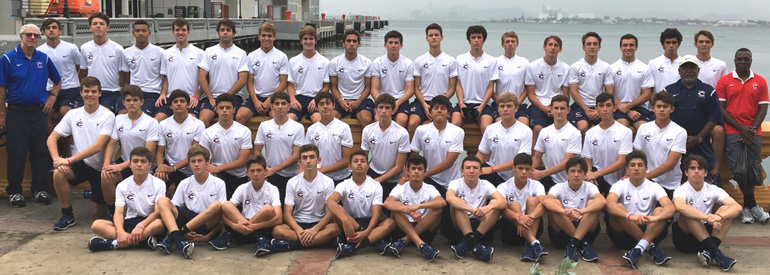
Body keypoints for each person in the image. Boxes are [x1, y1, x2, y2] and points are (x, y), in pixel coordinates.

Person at [1, 23, 61, 207]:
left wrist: (52, 97)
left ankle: (39, 189)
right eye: (29, 35)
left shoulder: (43, 58)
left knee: (40, 152)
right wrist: (2, 114)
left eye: (36, 36)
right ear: (21, 36)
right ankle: (15, 192)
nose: (32, 38)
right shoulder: (8, 59)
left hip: (38, 113)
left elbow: (57, 81)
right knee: (17, 153)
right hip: (16, 113)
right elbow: (1, 88)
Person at [47, 77, 115, 229]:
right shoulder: (73, 114)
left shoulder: (108, 115)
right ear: (81, 93)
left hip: (100, 167)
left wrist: (69, 160)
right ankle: (67, 215)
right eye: (86, 91)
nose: (89, 94)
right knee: (58, 172)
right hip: (82, 164)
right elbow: (52, 138)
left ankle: (109, 209)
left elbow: (98, 147)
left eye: (93, 91)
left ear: (99, 93)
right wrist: (57, 159)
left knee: (99, 214)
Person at [716, 48, 770, 224]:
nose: (743, 62)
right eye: (739, 59)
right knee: (739, 170)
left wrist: (752, 129)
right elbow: (721, 110)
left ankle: (748, 207)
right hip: (732, 132)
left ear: (751, 61)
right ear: (734, 60)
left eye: (746, 59)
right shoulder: (724, 81)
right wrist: (742, 128)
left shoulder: (760, 81)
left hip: (753, 132)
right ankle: (751, 205)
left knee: (753, 171)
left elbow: (763, 108)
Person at [605, 151, 676, 269]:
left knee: (660, 210)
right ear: (627, 170)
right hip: (624, 234)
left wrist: (654, 218)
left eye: (640, 165)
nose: (636, 168)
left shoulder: (654, 186)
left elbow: (670, 207)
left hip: (649, 229)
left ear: (646, 169)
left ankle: (638, 249)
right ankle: (650, 247)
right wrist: (630, 216)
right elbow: (609, 204)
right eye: (632, 165)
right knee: (618, 208)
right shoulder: (620, 185)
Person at [88, 147, 167, 251]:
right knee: (97, 225)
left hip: (148, 222)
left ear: (149, 165)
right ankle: (141, 241)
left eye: (143, 161)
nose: (139, 164)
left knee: (159, 224)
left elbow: (158, 212)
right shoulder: (122, 185)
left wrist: (141, 226)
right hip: (130, 220)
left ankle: (114, 244)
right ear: (130, 165)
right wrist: (120, 231)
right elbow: (119, 213)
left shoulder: (159, 184)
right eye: (135, 161)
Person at [154, 145, 226, 258]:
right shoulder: (184, 183)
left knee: (217, 205)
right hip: (188, 220)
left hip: (207, 224)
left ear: (207, 162)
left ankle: (173, 236)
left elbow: (223, 216)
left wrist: (208, 236)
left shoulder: (219, 183)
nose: (196, 164)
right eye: (193, 161)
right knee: (162, 201)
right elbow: (173, 208)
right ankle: (178, 238)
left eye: (200, 161)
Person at [672, 155, 741, 272]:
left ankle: (710, 252)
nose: (696, 171)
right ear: (686, 172)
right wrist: (707, 218)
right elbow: (680, 206)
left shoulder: (712, 189)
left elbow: (737, 207)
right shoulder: (681, 190)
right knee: (688, 214)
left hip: (706, 235)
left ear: (705, 173)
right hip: (685, 239)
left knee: (727, 211)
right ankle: (717, 254)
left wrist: (718, 217)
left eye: (700, 168)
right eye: (692, 168)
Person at [410, 95, 464, 240]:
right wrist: (406, 176)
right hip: (429, 181)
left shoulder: (457, 132)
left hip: (450, 183)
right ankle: (414, 239)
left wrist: (425, 174)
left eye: (443, 108)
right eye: (436, 108)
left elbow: (449, 162)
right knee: (429, 228)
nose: (439, 111)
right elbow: (413, 156)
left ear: (448, 113)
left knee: (451, 231)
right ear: (430, 112)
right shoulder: (421, 130)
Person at [270, 144, 341, 252]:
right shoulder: (292, 182)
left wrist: (314, 230)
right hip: (298, 222)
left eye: (312, 157)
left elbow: (330, 212)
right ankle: (322, 243)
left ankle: (291, 245)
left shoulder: (328, 182)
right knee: (277, 230)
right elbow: (287, 213)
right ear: (299, 162)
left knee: (335, 229)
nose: (308, 161)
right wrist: (298, 230)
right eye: (304, 158)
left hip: (319, 223)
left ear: (319, 160)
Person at [101, 85, 160, 215]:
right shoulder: (118, 119)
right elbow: (111, 144)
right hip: (125, 162)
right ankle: (114, 213)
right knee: (106, 177)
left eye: (135, 100)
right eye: (128, 100)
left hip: (144, 164)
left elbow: (148, 153)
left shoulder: (151, 122)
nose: (131, 103)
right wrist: (106, 164)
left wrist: (121, 166)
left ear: (142, 102)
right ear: (123, 103)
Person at [327, 151, 396, 259]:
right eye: (356, 161)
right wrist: (344, 220)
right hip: (350, 223)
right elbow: (330, 201)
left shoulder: (376, 185)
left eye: (363, 161)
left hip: (370, 223)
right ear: (350, 166)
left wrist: (366, 232)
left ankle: (352, 247)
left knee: (390, 223)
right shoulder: (343, 184)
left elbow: (376, 214)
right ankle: (376, 242)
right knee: (338, 208)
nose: (359, 164)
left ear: (368, 166)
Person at [665, 55, 723, 185]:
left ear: (698, 70)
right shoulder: (669, 91)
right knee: (677, 176)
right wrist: (680, 138)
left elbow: (714, 118)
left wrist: (699, 137)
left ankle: (715, 177)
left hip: (701, 141)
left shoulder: (709, 91)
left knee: (704, 175)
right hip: (675, 142)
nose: (689, 71)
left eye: (692, 68)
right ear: (679, 71)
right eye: (685, 68)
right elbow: (662, 116)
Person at [208, 155, 282, 256]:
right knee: (226, 204)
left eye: (259, 170)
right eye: (252, 171)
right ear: (247, 173)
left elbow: (279, 218)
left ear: (265, 172)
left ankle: (234, 236)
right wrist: (235, 226)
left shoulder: (272, 189)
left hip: (262, 225)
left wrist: (252, 226)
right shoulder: (242, 188)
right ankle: (259, 239)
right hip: (241, 222)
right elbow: (225, 212)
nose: (255, 174)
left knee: (268, 209)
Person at [542, 157, 606, 264]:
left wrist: (582, 211)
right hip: (561, 235)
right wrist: (565, 212)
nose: (576, 175)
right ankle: (581, 244)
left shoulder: (590, 186)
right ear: (566, 174)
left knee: (593, 204)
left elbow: (602, 201)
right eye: (572, 171)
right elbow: (546, 201)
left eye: (579, 171)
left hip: (585, 231)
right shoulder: (558, 187)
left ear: (585, 174)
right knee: (555, 204)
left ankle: (574, 244)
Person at [383, 155, 444, 262]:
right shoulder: (400, 188)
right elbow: (387, 203)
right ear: (407, 171)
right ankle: (421, 245)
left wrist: (418, 206)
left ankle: (405, 240)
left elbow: (442, 202)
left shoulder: (430, 188)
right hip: (402, 228)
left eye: (420, 169)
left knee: (437, 208)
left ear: (425, 172)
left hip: (423, 230)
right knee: (396, 208)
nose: (416, 172)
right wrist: (410, 212)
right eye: (413, 169)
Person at [446, 156, 505, 262]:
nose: (471, 171)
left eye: (475, 168)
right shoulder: (456, 183)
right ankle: (475, 245)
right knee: (459, 203)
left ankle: (468, 243)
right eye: (468, 168)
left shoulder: (485, 184)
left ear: (481, 171)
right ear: (462, 171)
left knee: (495, 204)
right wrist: (472, 210)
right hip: (460, 223)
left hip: (480, 223)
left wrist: (488, 208)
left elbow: (502, 201)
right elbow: (449, 198)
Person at [408, 23, 458, 138]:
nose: (434, 37)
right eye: (431, 35)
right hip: (423, 102)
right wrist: (425, 105)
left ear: (442, 37)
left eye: (436, 35)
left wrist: (440, 103)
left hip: (443, 101)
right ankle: (411, 155)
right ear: (427, 38)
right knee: (411, 124)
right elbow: (416, 88)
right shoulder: (419, 61)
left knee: (449, 128)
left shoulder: (450, 61)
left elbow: (452, 87)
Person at [197, 93, 252, 198]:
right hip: (219, 175)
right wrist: (212, 169)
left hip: (240, 175)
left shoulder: (244, 131)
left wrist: (218, 168)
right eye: (221, 108)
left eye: (228, 108)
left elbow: (242, 161)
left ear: (234, 110)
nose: (224, 110)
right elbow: (202, 157)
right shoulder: (208, 132)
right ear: (216, 109)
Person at [252, 91, 305, 201]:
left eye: (283, 103)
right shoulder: (264, 126)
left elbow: (296, 155)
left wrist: (275, 169)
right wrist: (264, 168)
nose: (280, 107)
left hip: (291, 176)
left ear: (289, 106)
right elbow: (257, 152)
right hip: (270, 175)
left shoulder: (298, 127)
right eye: (277, 104)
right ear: (271, 106)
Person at [496, 153, 548, 262]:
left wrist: (528, 217)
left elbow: (544, 203)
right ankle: (534, 243)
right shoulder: (503, 186)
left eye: (527, 169)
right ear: (513, 168)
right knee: (514, 205)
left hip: (533, 226)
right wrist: (519, 217)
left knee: (533, 200)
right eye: (520, 168)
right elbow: (500, 210)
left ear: (531, 170)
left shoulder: (536, 185)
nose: (524, 172)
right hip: (511, 231)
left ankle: (529, 245)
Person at [633, 92, 687, 198]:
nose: (661, 109)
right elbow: (636, 155)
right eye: (659, 106)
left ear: (672, 109)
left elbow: (670, 165)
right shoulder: (643, 128)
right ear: (653, 108)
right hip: (645, 181)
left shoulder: (680, 132)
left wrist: (644, 177)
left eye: (665, 107)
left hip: (669, 185)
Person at [197, 19, 248, 127]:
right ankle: (206, 144)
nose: (225, 32)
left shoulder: (241, 54)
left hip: (233, 96)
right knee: (203, 120)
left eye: (228, 30)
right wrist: (211, 98)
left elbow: (242, 80)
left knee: (238, 119)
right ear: (218, 33)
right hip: (213, 96)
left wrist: (226, 97)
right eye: (222, 30)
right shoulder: (209, 51)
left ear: (233, 33)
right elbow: (201, 77)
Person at [693, 30, 727, 188]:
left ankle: (715, 171)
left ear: (712, 44)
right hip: (693, 108)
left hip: (712, 108)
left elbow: (723, 90)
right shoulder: (689, 62)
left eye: (707, 41)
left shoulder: (720, 65)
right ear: (695, 44)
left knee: (718, 131)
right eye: (701, 41)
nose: (704, 44)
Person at [236, 22, 288, 124]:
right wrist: (255, 101)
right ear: (259, 37)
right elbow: (249, 82)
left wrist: (270, 100)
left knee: (278, 120)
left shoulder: (282, 57)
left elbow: (283, 83)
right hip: (255, 97)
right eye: (263, 35)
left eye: (269, 36)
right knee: (239, 117)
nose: (266, 38)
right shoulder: (251, 56)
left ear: (274, 37)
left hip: (274, 97)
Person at [476, 92, 532, 185]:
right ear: (498, 109)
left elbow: (521, 161)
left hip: (515, 177)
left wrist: (492, 169)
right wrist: (473, 167)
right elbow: (482, 154)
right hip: (494, 175)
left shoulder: (525, 131)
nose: (505, 109)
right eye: (502, 106)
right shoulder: (490, 129)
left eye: (509, 106)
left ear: (516, 108)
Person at [582, 93, 632, 195]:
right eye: (601, 106)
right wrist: (590, 177)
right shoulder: (590, 133)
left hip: (618, 182)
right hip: (596, 181)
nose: (605, 109)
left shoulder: (625, 132)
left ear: (614, 108)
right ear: (596, 109)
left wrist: (596, 174)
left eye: (608, 105)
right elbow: (588, 161)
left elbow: (622, 162)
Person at [154, 90, 205, 189]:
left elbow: (194, 154)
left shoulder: (198, 125)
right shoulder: (163, 124)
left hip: (191, 168)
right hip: (169, 165)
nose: (179, 104)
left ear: (188, 104)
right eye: (175, 102)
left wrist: (173, 168)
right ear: (170, 106)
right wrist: (161, 168)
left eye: (182, 101)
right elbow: (159, 152)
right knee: (157, 181)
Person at [361, 93, 410, 197]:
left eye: (387, 108)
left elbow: (399, 167)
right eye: (381, 107)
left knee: (390, 209)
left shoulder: (402, 133)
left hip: (393, 178)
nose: (383, 111)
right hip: (373, 172)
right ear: (375, 110)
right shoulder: (368, 130)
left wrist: (378, 181)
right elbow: (363, 157)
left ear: (393, 111)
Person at [157, 17, 206, 121]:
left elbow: (206, 80)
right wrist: (162, 94)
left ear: (188, 32)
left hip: (191, 99)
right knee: (157, 120)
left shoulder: (199, 53)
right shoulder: (166, 54)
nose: (180, 33)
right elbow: (166, 78)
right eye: (177, 30)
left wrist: (197, 95)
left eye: (183, 30)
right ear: (173, 32)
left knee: (191, 122)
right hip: (171, 98)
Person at [452, 25, 497, 134]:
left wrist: (481, 107)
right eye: (473, 37)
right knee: (453, 127)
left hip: (483, 104)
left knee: (486, 129)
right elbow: (458, 84)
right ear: (469, 40)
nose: (476, 40)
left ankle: (484, 151)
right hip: (464, 103)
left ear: (484, 40)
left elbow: (491, 87)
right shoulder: (460, 59)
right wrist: (461, 104)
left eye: (479, 37)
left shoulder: (492, 61)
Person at [531, 95, 582, 191]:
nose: (559, 111)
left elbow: (567, 162)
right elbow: (537, 156)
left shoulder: (574, 133)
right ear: (551, 109)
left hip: (568, 181)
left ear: (568, 110)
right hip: (549, 178)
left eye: (562, 108)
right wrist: (529, 172)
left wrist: (543, 173)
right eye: (556, 108)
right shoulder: (544, 131)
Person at [525, 35, 570, 145]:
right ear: (544, 47)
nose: (553, 48)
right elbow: (530, 94)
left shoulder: (566, 68)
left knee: (571, 130)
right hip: (539, 105)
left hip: (558, 106)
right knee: (537, 129)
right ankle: (534, 160)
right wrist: (545, 108)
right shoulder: (533, 66)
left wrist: (556, 109)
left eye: (556, 45)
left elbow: (566, 95)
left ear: (560, 49)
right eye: (550, 45)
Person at [568, 32, 614, 135]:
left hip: (600, 105)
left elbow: (610, 92)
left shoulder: (605, 66)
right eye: (589, 44)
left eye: (595, 44)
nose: (592, 47)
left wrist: (599, 109)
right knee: (582, 128)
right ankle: (581, 151)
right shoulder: (575, 66)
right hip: (582, 105)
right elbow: (573, 92)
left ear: (599, 47)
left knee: (604, 130)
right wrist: (586, 109)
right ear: (583, 47)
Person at [38, 18, 81, 126]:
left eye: (54, 27)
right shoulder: (39, 51)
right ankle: (51, 141)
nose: (51, 30)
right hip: (49, 89)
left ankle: (68, 143)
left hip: (70, 88)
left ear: (60, 31)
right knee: (46, 113)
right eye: (48, 28)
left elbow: (80, 65)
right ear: (43, 32)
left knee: (65, 112)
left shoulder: (71, 48)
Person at [79, 12, 124, 114]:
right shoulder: (85, 48)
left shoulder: (118, 49)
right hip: (91, 91)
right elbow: (83, 71)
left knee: (104, 113)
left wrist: (118, 86)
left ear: (107, 28)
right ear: (90, 28)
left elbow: (123, 74)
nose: (98, 26)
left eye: (101, 24)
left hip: (111, 91)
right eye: (95, 24)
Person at [304, 92, 354, 184]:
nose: (325, 106)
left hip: (341, 178)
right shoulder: (312, 130)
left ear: (333, 105)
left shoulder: (344, 127)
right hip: (320, 179)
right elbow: (308, 156)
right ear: (317, 107)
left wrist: (322, 170)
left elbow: (346, 160)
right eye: (321, 104)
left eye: (328, 103)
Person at [369, 30, 415, 128]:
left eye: (396, 43)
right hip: (382, 99)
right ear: (385, 45)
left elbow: (410, 90)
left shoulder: (408, 63)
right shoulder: (377, 62)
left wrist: (397, 103)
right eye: (390, 42)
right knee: (378, 120)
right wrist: (382, 103)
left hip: (400, 100)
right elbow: (373, 89)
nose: (393, 45)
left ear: (401, 45)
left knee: (402, 120)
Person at [329, 29, 374, 126]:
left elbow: (368, 87)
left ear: (358, 44)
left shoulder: (366, 62)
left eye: (354, 41)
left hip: (360, 100)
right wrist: (341, 101)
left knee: (366, 119)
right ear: (343, 44)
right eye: (348, 41)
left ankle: (365, 141)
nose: (351, 44)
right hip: (341, 100)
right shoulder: (335, 62)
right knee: (329, 119)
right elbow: (333, 86)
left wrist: (358, 102)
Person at [119, 20, 163, 117]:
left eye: (143, 31)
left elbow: (164, 75)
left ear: (149, 33)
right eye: (137, 31)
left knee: (143, 116)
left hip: (152, 92)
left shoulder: (159, 52)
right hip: (133, 91)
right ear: (133, 33)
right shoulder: (126, 53)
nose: (141, 33)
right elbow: (126, 74)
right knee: (121, 114)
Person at [610, 34, 655, 129]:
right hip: (618, 107)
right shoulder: (612, 68)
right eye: (625, 45)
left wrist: (629, 106)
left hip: (639, 107)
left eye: (631, 45)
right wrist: (625, 109)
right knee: (622, 126)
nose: (628, 48)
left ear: (636, 47)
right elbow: (610, 93)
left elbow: (647, 94)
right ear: (620, 48)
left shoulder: (644, 68)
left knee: (644, 128)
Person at [287, 25, 330, 123]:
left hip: (317, 98)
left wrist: (316, 100)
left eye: (311, 39)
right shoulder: (293, 61)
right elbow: (290, 85)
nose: (308, 42)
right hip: (299, 98)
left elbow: (326, 86)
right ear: (301, 41)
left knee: (318, 121)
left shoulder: (325, 62)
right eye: (305, 39)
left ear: (316, 40)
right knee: (289, 121)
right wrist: (293, 100)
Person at [494, 31, 530, 125]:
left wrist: (519, 101)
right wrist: (498, 100)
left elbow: (527, 87)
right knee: (499, 123)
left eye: (513, 41)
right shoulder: (495, 62)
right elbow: (489, 86)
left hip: (518, 104)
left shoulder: (524, 62)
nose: (510, 44)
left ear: (517, 44)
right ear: (502, 44)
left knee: (524, 123)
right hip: (500, 104)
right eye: (507, 41)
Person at [649, 28, 682, 95]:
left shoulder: (684, 63)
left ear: (679, 44)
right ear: (662, 44)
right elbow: (649, 90)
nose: (671, 46)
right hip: (659, 103)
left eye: (674, 42)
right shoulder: (653, 63)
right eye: (668, 42)